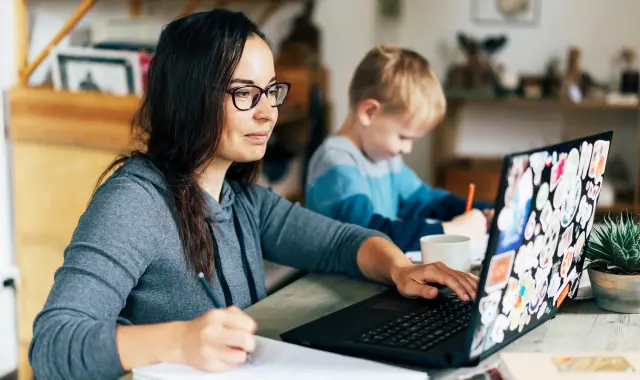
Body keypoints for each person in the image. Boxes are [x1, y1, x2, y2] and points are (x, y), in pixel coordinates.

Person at [28, 9, 480, 380]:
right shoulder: (133, 203)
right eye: (245, 93)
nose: (267, 112)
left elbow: (342, 241)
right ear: (191, 98)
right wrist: (178, 340)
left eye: (270, 92)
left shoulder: (241, 199)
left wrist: (399, 267)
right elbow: (52, 345)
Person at [305, 45, 494, 253]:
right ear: (369, 112)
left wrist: (482, 211)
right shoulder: (336, 163)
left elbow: (426, 201)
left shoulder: (385, 157)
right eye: (403, 137)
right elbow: (371, 234)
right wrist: (448, 230)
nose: (407, 148)